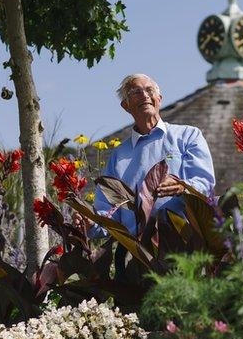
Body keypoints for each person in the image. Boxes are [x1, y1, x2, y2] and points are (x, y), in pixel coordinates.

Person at [92, 74, 215, 235]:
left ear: (160, 98)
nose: (145, 95)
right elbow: (108, 212)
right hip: (139, 253)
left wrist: (182, 187)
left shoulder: (188, 136)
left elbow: (205, 184)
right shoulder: (118, 156)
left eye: (149, 90)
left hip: (186, 244)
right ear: (125, 105)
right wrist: (90, 223)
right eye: (136, 92)